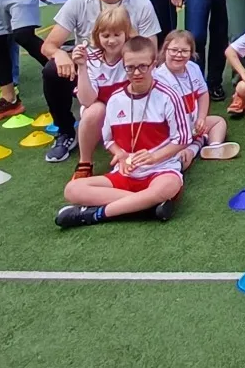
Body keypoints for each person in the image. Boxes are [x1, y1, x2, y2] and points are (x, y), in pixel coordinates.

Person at [39, 0, 162, 164]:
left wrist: (126, 35)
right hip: (89, 70)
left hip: (125, 72)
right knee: (52, 70)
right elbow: (49, 45)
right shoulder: (80, 0)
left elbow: (151, 53)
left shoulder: (142, 5)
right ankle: (66, 132)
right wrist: (60, 54)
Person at [56, 34, 190, 228]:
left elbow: (183, 139)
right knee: (72, 190)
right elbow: (109, 140)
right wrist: (120, 154)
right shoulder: (116, 99)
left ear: (153, 64)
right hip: (126, 172)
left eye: (143, 66)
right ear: (124, 67)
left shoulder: (169, 96)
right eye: (130, 67)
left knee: (168, 187)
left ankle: (97, 214)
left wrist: (154, 158)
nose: (136, 72)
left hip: (161, 169)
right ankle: (146, 205)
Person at [70, 5, 134, 178]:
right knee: (96, 109)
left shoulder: (133, 56)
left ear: (126, 34)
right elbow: (87, 101)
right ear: (97, 36)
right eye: (105, 35)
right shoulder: (91, 58)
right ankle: (85, 162)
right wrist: (81, 66)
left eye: (117, 35)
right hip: (102, 111)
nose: (111, 41)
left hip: (129, 110)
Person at [159, 27, 238, 161]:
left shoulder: (193, 68)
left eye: (184, 51)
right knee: (181, 160)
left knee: (219, 122)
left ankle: (214, 146)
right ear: (165, 50)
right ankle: (196, 146)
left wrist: (201, 118)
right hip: (172, 132)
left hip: (192, 124)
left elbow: (202, 94)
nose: (179, 54)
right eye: (173, 50)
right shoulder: (159, 77)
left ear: (191, 53)